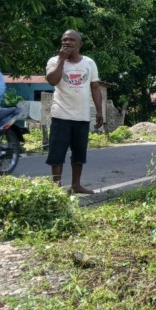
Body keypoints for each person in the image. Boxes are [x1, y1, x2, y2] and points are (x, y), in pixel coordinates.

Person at [45, 30, 103, 194]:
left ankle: (76, 185)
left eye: (71, 40)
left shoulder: (89, 63)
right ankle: (56, 186)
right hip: (60, 115)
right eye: (64, 40)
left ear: (80, 44)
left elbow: (95, 86)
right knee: (57, 153)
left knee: (79, 153)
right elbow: (52, 80)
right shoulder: (54, 61)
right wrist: (62, 60)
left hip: (82, 116)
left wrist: (99, 111)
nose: (67, 42)